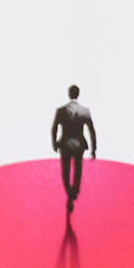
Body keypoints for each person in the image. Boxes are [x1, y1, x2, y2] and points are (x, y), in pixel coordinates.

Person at [52, 85, 97, 213]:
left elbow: (54, 127)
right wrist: (94, 149)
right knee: (78, 170)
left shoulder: (61, 110)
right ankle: (74, 192)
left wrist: (54, 143)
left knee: (65, 171)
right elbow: (91, 131)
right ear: (78, 94)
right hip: (79, 145)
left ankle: (69, 192)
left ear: (69, 94)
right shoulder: (84, 111)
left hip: (65, 144)